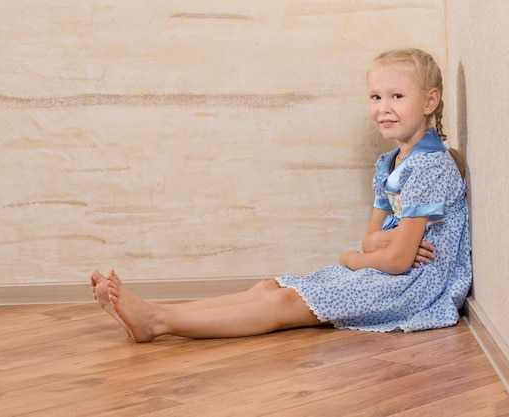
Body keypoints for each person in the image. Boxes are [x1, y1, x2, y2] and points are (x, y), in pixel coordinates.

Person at [91, 48, 472, 343]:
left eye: (396, 96)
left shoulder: (430, 165)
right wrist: (373, 245)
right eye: (375, 97)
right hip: (384, 272)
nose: (383, 108)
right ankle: (157, 311)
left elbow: (397, 260)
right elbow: (373, 240)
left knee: (284, 302)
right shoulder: (389, 163)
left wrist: (353, 258)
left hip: (412, 287)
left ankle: (157, 322)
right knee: (271, 286)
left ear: (429, 101)